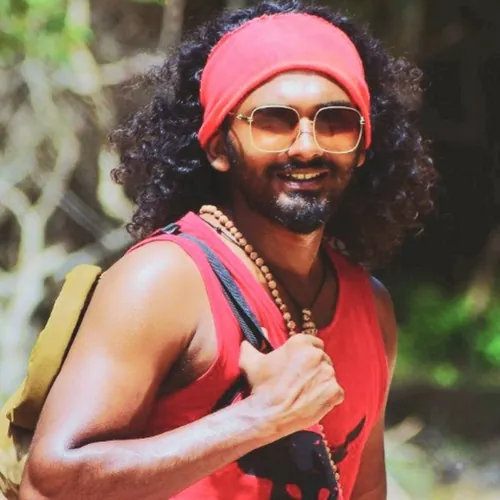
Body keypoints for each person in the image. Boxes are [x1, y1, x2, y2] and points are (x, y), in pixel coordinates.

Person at [20, 1, 436, 499]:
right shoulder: (165, 281)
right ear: (219, 145)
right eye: (273, 121)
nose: (307, 146)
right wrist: (259, 418)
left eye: (335, 121)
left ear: (363, 145)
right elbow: (48, 486)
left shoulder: (371, 306)